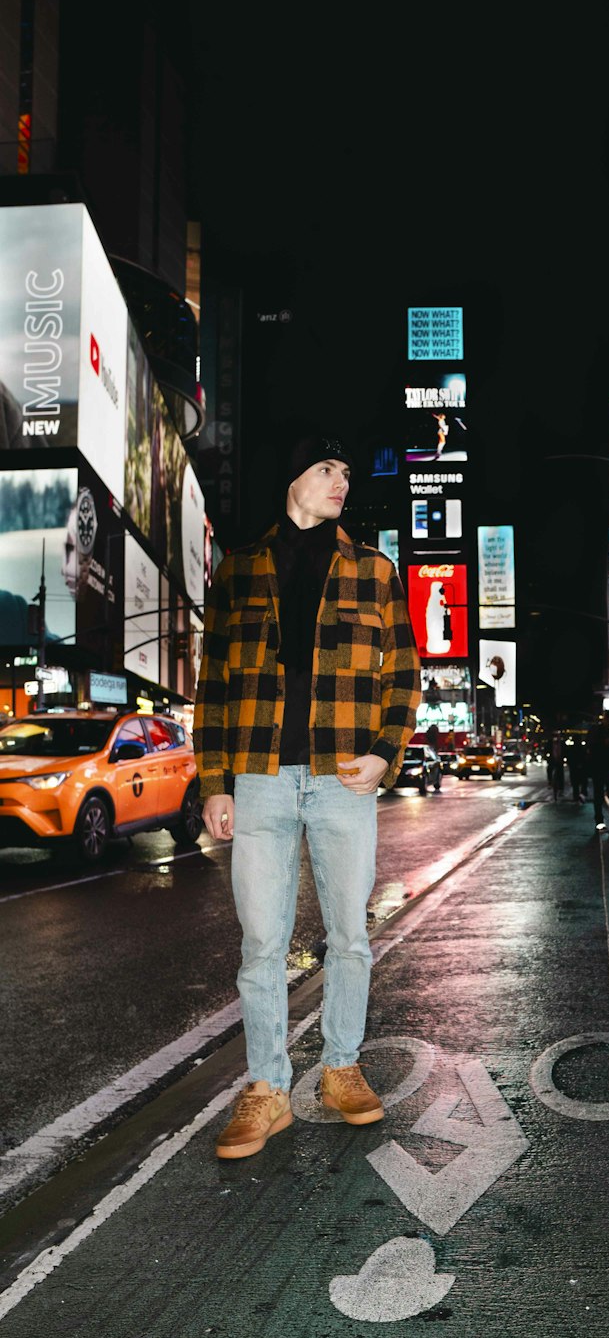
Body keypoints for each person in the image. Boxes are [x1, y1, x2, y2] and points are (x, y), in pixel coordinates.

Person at [195, 431, 421, 1160]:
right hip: (258, 776)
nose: (342, 482)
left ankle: (341, 1068)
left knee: (350, 937)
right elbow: (214, 689)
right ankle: (267, 1088)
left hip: (341, 777)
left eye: (348, 471)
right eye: (327, 468)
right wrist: (213, 784)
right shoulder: (236, 572)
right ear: (293, 477)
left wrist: (385, 753)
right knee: (261, 946)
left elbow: (404, 674)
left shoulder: (374, 570)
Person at [587, 713, 609, 831]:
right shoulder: (598, 732)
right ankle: (601, 820)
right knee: (600, 795)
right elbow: (592, 748)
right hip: (600, 767)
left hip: (607, 768)